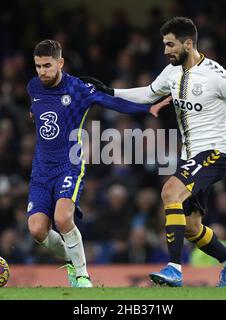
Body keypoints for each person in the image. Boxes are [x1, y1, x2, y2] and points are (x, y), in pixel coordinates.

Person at [81, 17, 226, 287]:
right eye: (164, 45)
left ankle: (174, 269)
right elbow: (147, 94)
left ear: (189, 43)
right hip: (191, 157)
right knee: (191, 227)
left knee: (169, 192)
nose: (166, 51)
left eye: (170, 45)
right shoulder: (171, 72)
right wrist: (110, 91)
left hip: (214, 153)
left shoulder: (215, 74)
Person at [26, 39, 169, 288]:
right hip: (40, 169)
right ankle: (73, 260)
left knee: (62, 218)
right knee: (37, 230)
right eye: (38, 66)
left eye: (47, 65)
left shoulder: (78, 88)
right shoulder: (33, 87)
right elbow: (36, 112)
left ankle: (82, 276)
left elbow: (112, 102)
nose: (42, 72)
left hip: (69, 165)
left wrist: (148, 108)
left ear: (60, 62)